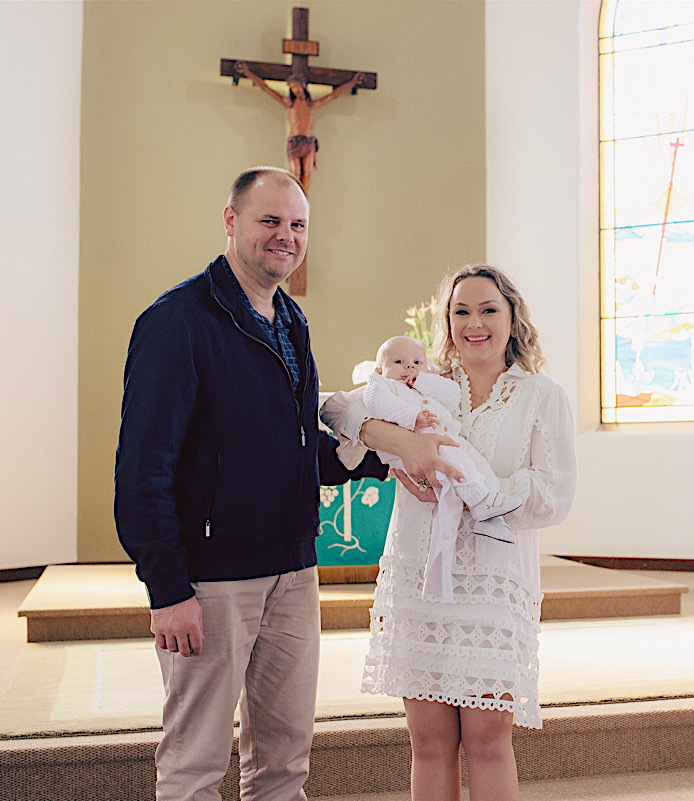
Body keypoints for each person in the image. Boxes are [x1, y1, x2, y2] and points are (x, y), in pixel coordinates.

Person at [114, 166, 460, 801]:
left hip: (295, 569)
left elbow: (299, 443)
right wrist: (166, 587)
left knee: (284, 764)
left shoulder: (290, 320)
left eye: (297, 225)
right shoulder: (176, 322)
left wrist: (389, 459)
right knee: (195, 765)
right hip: (213, 578)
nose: (286, 236)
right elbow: (142, 470)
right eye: (269, 221)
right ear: (231, 221)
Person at [321, 264, 577, 801]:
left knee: (487, 739)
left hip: (492, 582)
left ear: (513, 319)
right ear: (447, 320)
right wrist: (398, 452)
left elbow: (553, 493)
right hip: (420, 578)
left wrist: (477, 491)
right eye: (461, 311)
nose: (474, 323)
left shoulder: (540, 395)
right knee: (429, 740)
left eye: (488, 310)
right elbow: (339, 408)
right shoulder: (419, 386)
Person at [339, 335, 524, 599]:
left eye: (417, 362)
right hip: (418, 445)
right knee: (459, 467)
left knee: (477, 464)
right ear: (380, 370)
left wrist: (423, 380)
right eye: (399, 361)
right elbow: (378, 403)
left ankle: (490, 509)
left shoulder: (424, 385)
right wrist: (411, 417)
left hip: (446, 439)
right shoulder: (380, 385)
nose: (409, 367)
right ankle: (483, 504)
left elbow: (452, 396)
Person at [235, 61, 365, 190]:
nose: (295, 90)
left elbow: (333, 95)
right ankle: (295, 198)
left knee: (307, 174)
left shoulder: (312, 105)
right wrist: (247, 72)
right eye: (292, 88)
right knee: (295, 174)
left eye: (296, 86)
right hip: (295, 142)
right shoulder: (288, 103)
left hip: (308, 142)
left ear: (302, 86)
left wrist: (353, 82)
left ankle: (303, 201)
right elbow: (265, 88)